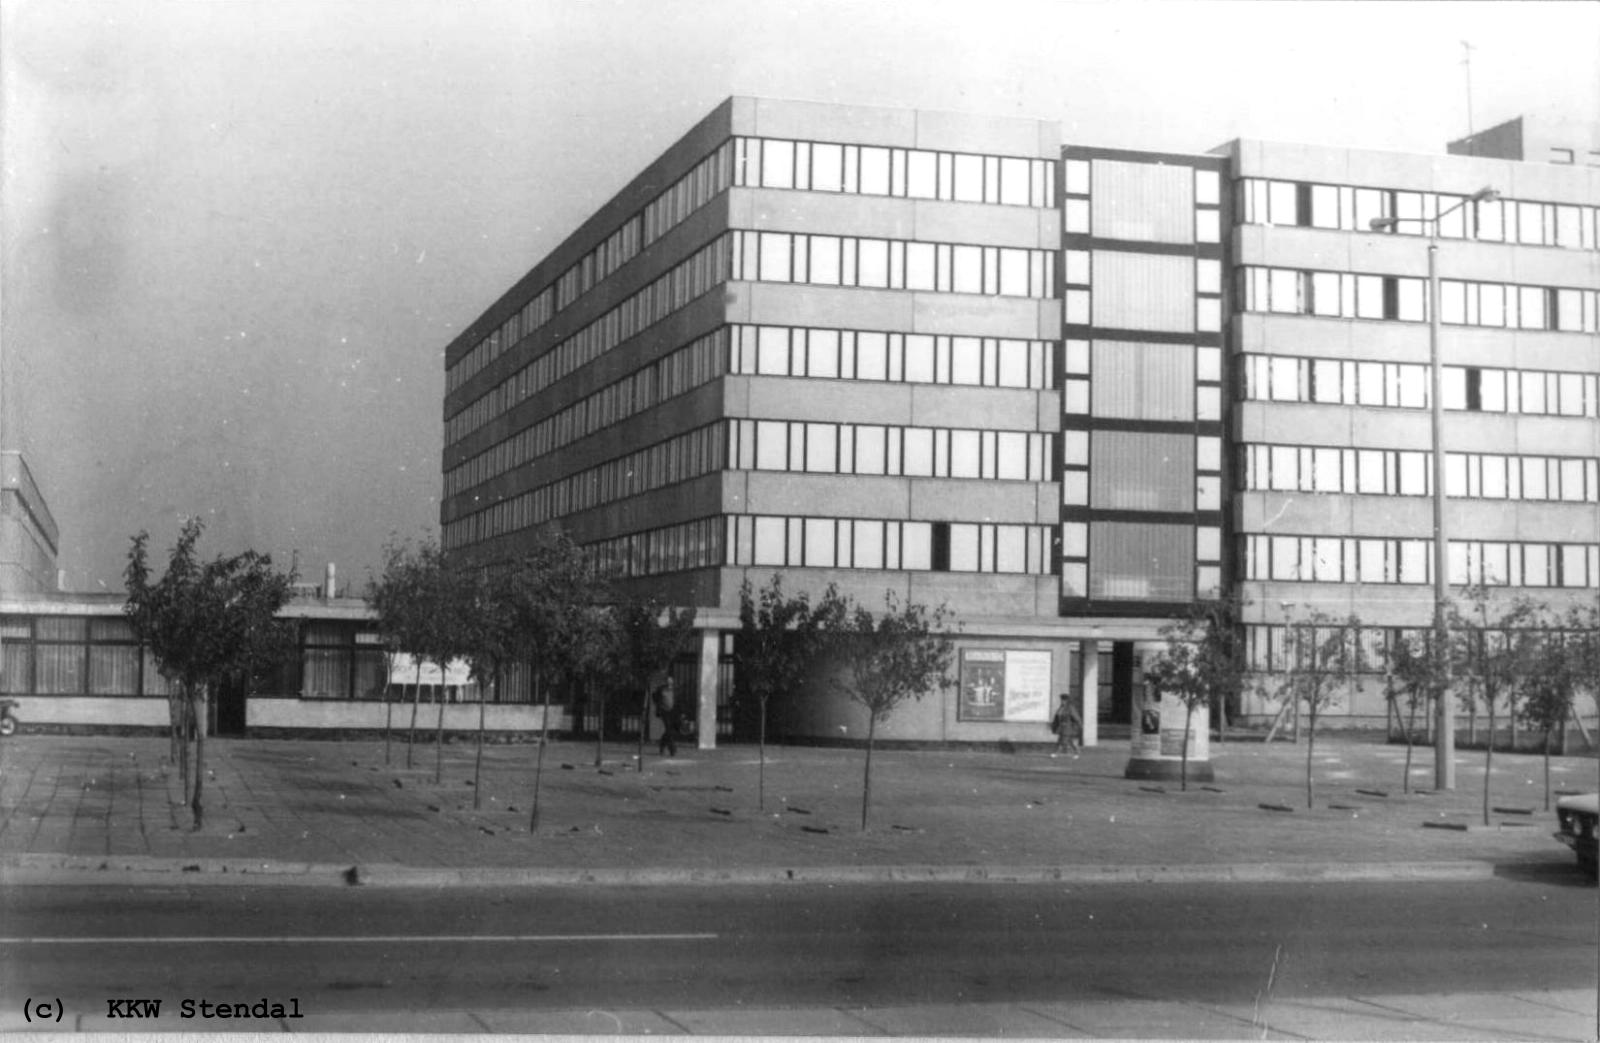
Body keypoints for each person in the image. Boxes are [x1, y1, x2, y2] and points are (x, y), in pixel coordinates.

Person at [653, 678, 679, 757]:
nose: (669, 683)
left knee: (670, 730)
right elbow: (654, 697)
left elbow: (677, 700)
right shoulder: (661, 689)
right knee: (669, 729)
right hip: (664, 711)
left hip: (672, 711)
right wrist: (658, 707)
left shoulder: (674, 690)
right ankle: (672, 749)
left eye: (670, 682)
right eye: (667, 682)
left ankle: (662, 745)